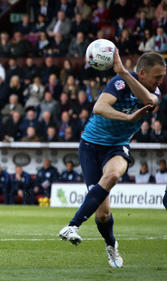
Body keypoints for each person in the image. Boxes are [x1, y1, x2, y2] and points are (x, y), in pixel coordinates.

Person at [58, 50, 166, 268]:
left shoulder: (153, 91)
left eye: (162, 76)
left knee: (114, 174)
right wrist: (127, 116)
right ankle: (111, 245)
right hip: (90, 147)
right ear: (142, 73)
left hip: (117, 146)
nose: (160, 81)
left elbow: (150, 100)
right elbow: (99, 107)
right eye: (157, 76)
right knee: (104, 214)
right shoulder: (119, 83)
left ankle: (73, 225)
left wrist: (125, 73)